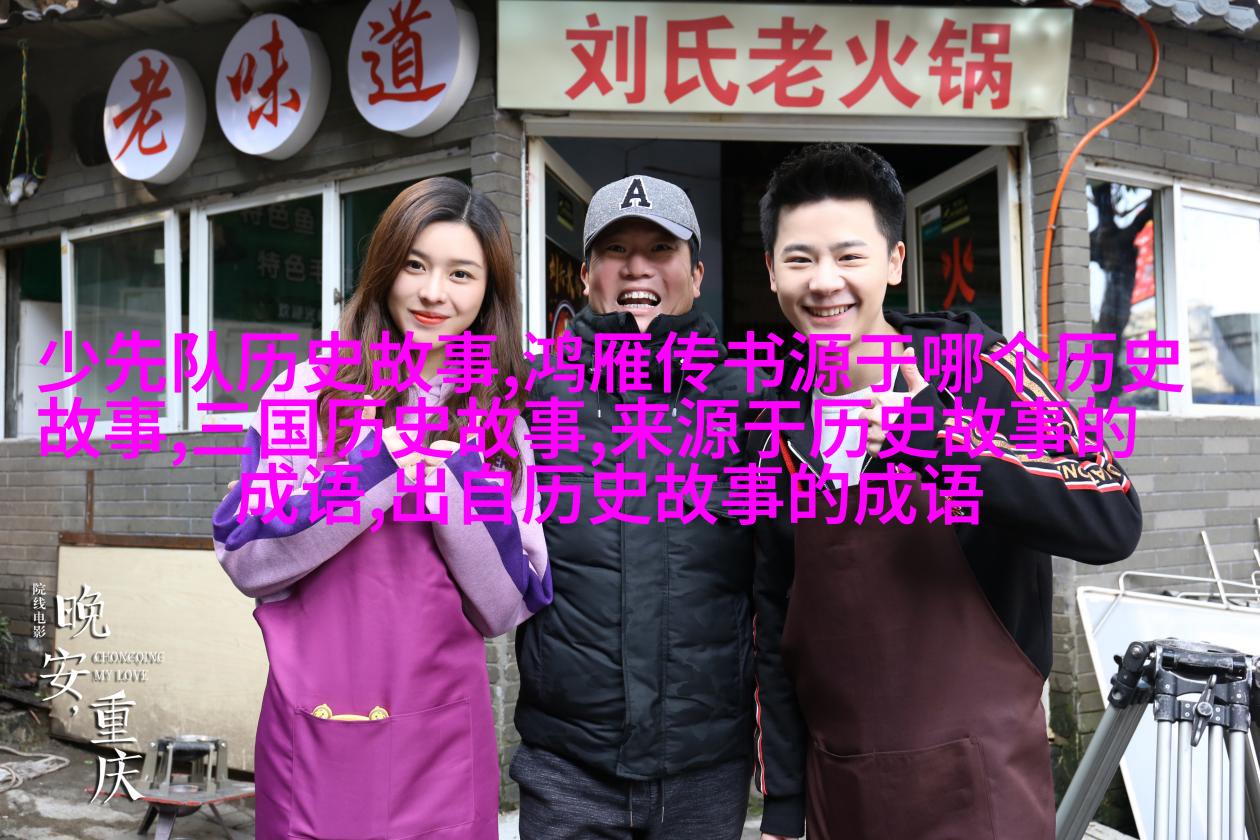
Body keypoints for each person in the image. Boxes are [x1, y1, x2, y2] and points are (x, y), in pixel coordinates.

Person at [751, 144, 1143, 840]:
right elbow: (773, 622)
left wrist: (939, 440)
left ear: (895, 261)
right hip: (841, 793)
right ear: (772, 271)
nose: (825, 282)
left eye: (849, 255)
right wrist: (783, 801)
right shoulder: (773, 422)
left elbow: (1111, 514)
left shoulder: (986, 372)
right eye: (800, 259)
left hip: (982, 792)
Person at [212, 177, 551, 840]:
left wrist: (456, 488)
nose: (433, 293)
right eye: (415, 265)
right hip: (314, 730)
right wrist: (375, 471)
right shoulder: (306, 392)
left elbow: (508, 605)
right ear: (384, 268)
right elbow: (248, 559)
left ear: (489, 292)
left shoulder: (500, 420)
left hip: (443, 741)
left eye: (461, 274)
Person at [510, 175, 800, 839]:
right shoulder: (533, 396)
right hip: (566, 768)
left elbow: (780, 588)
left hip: (705, 770)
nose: (637, 267)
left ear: (696, 275)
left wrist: (783, 779)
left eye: (660, 249)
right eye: (615, 250)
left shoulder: (754, 400)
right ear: (586, 275)